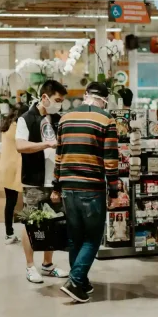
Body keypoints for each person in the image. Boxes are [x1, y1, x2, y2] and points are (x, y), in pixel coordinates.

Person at [54, 82, 119, 303]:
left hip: (67, 187)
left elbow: (59, 156)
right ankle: (75, 280)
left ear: (85, 96)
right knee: (92, 238)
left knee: (75, 238)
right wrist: (114, 191)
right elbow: (110, 160)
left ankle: (81, 283)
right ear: (104, 100)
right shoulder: (106, 119)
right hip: (91, 188)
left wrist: (56, 186)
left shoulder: (65, 118)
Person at [15, 80, 69, 283]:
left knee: (53, 223)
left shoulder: (58, 119)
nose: (59, 104)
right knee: (31, 223)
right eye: (57, 100)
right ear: (44, 97)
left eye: (62, 101)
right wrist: (46, 143)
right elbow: (20, 146)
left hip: (55, 180)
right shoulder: (26, 119)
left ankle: (47, 264)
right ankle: (30, 266)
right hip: (34, 180)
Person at [0, 103, 29, 244]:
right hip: (15, 168)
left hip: (5, 167)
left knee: (10, 202)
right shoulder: (18, 128)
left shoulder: (7, 125)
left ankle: (8, 234)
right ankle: (30, 234)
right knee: (26, 201)